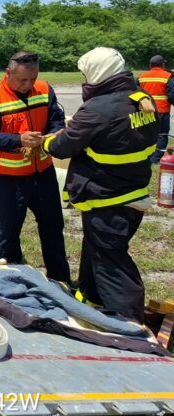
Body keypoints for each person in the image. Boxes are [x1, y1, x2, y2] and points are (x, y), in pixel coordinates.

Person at [44, 47, 158, 323]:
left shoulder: (99, 108)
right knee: (95, 249)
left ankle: (129, 324)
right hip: (132, 192)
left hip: (107, 198)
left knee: (111, 262)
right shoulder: (142, 99)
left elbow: (62, 146)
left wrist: (46, 142)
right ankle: (89, 298)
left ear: (97, 73)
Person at [0, 51, 70, 283]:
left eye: (32, 79)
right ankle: (8, 284)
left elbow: (56, 119)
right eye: (22, 80)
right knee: (7, 236)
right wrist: (19, 140)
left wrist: (52, 135)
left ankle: (60, 282)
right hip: (8, 179)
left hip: (43, 175)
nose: (28, 85)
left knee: (53, 229)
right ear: (8, 73)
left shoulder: (44, 89)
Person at [137, 55, 174, 163]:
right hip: (162, 110)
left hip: (145, 110)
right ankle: (155, 159)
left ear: (150, 65)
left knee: (145, 134)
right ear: (163, 65)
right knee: (162, 135)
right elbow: (172, 95)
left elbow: (135, 92)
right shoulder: (168, 76)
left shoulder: (141, 76)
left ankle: (144, 156)